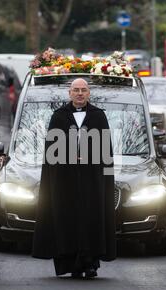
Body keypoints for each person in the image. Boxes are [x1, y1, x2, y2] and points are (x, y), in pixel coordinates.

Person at [32, 78, 116, 278]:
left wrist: (106, 180)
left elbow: (106, 152)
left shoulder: (98, 116)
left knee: (90, 220)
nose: (79, 93)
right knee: (66, 220)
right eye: (76, 90)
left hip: (92, 180)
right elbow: (51, 151)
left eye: (83, 90)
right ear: (69, 93)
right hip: (64, 180)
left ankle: (90, 264)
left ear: (89, 93)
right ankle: (69, 264)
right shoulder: (59, 116)